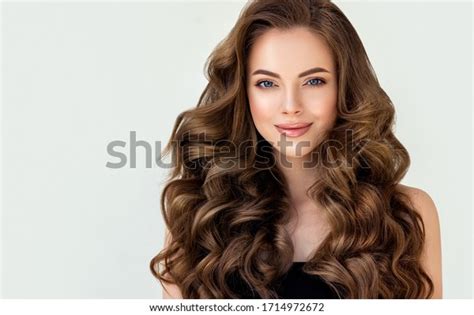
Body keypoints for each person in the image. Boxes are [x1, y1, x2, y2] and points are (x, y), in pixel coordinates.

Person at [149, 0, 442, 299]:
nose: (291, 107)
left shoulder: (406, 214)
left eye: (314, 81)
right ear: (242, 93)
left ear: (345, 88)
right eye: (266, 83)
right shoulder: (197, 216)